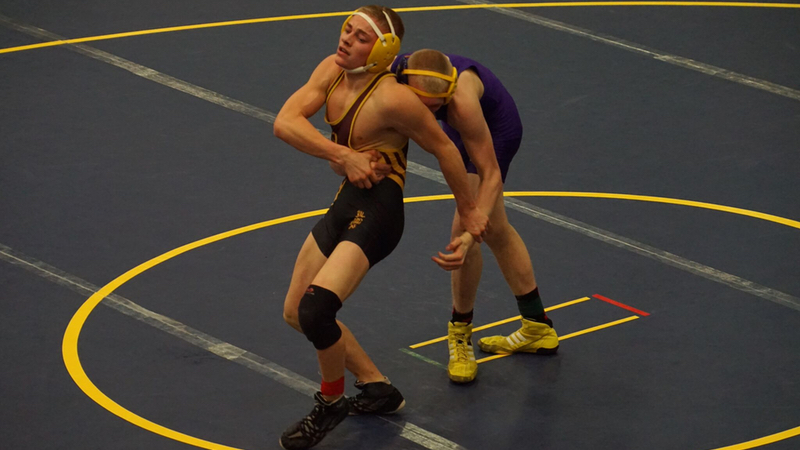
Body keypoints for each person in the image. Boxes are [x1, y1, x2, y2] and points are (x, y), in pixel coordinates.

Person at [272, 7, 489, 450]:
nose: (347, 40)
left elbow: (446, 149)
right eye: (347, 30)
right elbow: (284, 123)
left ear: (384, 51)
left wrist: (468, 210)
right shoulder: (331, 70)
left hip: (380, 211)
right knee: (295, 312)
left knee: (316, 309)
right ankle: (377, 387)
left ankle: (330, 402)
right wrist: (343, 156)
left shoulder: (392, 98)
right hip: (348, 201)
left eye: (361, 37)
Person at [390, 50, 560, 384]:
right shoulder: (394, 70)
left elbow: (491, 174)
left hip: (495, 131)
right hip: (458, 128)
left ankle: (460, 332)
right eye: (425, 106)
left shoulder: (461, 104)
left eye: (436, 107)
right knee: (497, 230)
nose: (430, 114)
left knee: (465, 229)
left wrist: (470, 234)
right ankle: (537, 326)